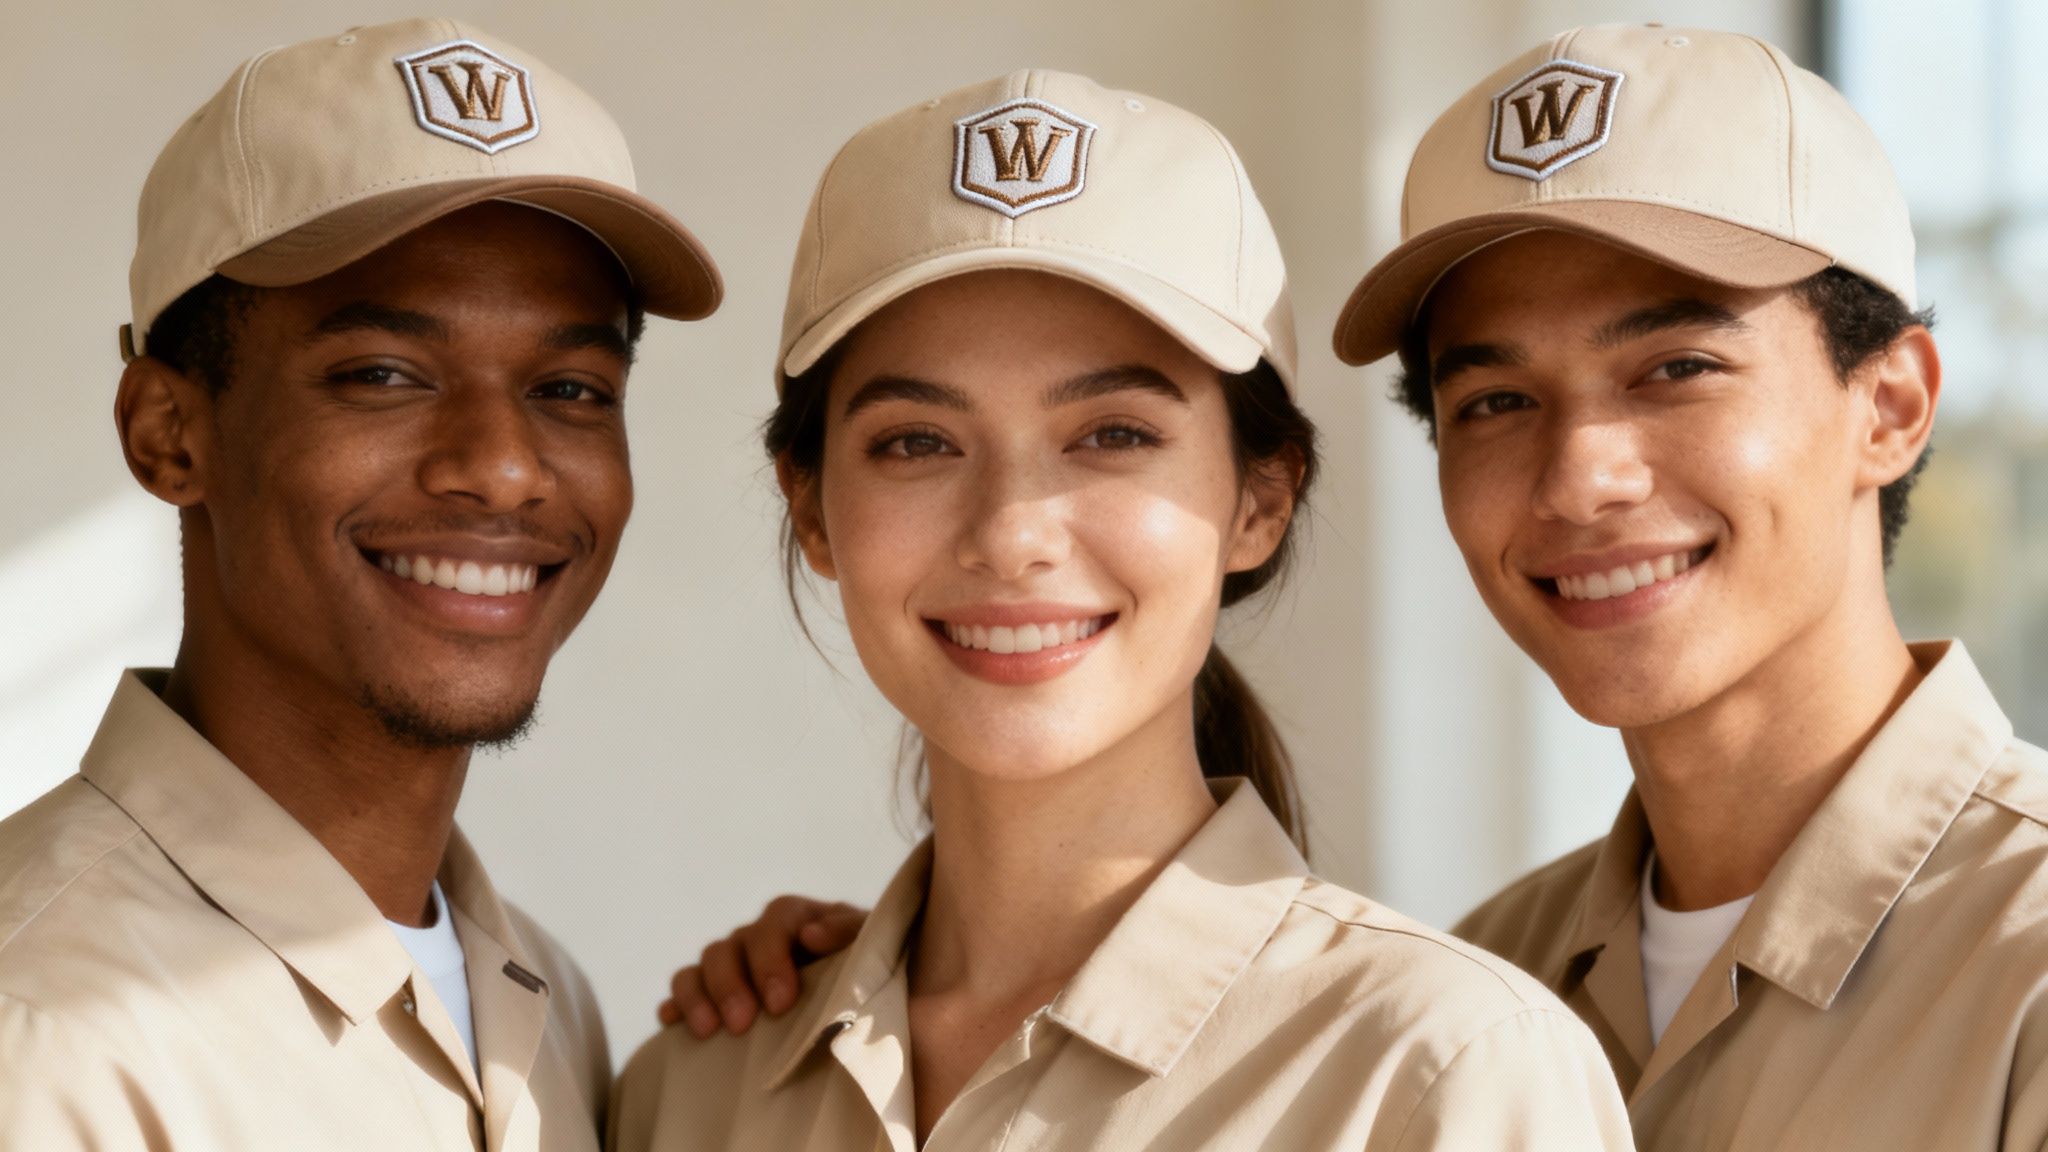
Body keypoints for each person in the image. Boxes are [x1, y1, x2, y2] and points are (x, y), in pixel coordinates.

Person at [669, 24, 2048, 1151]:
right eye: (1494, 398)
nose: (1580, 476)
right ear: (809, 506)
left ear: (1890, 404)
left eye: (1676, 369)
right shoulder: (1502, 971)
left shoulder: (1459, 1046)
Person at [610, 69, 1630, 1152]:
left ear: (1260, 501)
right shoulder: (690, 1094)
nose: (1011, 532)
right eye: (917, 442)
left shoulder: (1439, 1069)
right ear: (811, 508)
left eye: (1113, 434)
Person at [0, 18, 719, 1150]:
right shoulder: (44, 1026)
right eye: (383, 374)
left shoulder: (543, 1005)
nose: (503, 468)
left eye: (571, 389)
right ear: (168, 433)